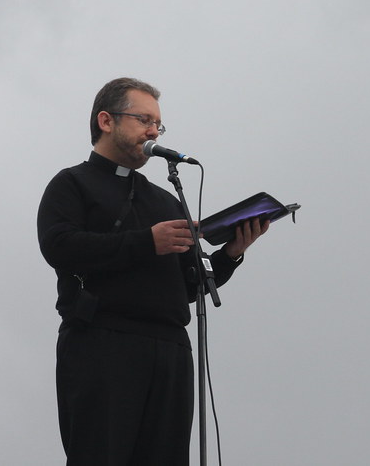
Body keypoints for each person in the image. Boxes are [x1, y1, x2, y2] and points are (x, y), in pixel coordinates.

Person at [37, 77, 268, 465]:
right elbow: (59, 247)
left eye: (158, 123)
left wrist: (231, 253)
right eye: (143, 118)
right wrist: (147, 242)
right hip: (102, 342)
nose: (153, 131)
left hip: (171, 350)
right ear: (106, 120)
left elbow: (190, 286)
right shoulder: (71, 183)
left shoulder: (165, 198)